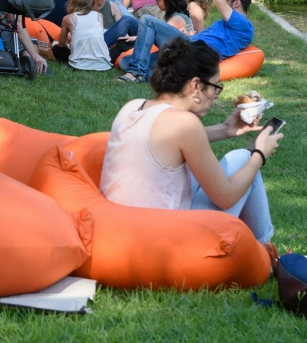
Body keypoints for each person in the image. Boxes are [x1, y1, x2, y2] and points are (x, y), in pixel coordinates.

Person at [101, 37, 279, 243]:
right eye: (215, 87)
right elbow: (226, 197)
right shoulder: (185, 123)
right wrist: (259, 155)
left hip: (119, 232)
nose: (216, 95)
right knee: (242, 158)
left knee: (217, 167)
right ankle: (265, 249)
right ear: (196, 85)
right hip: (160, 242)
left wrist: (225, 129)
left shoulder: (134, 106)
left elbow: (166, 141)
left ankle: (263, 248)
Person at [120, 0, 254, 83]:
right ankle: (163, 80)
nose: (224, 3)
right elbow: (208, 37)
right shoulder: (226, 23)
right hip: (189, 45)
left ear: (236, 3)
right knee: (125, 60)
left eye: (227, 0)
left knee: (147, 20)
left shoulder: (243, 25)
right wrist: (190, 35)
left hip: (195, 54)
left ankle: (136, 73)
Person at [52, 0, 112, 70]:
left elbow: (61, 44)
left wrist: (69, 46)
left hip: (79, 64)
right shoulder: (99, 16)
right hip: (103, 63)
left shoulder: (68, 18)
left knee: (56, 48)